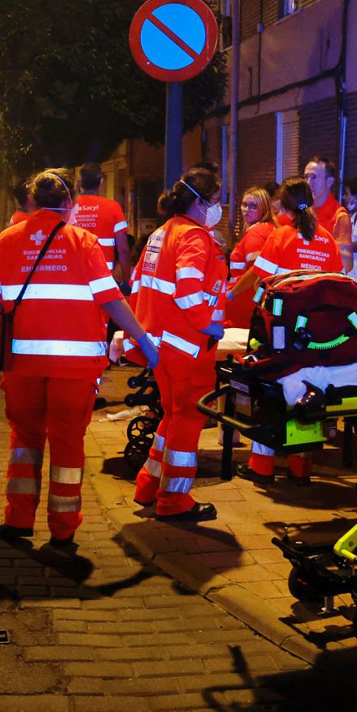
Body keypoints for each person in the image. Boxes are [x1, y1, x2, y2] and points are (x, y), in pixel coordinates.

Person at [0, 169, 156, 548]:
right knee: (67, 444)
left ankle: (17, 521)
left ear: (32, 200)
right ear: (69, 204)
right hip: (75, 368)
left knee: (25, 440)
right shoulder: (84, 242)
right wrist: (142, 340)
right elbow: (111, 301)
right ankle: (63, 531)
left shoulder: (8, 239)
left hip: (21, 364)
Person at [124, 165, 229, 522]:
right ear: (198, 203)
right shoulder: (194, 237)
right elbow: (187, 292)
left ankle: (148, 485)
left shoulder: (161, 233)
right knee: (188, 418)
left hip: (160, 345)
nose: (218, 208)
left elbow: (138, 284)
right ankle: (174, 500)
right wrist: (209, 328)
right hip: (186, 346)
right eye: (215, 201)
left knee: (171, 415)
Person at [228, 177, 342, 485]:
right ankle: (300, 468)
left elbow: (258, 277)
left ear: (285, 206)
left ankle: (261, 466)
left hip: (279, 329)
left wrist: (232, 296)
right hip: (315, 333)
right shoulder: (326, 240)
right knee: (306, 392)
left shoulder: (281, 237)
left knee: (269, 391)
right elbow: (337, 281)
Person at [69, 162, 132, 286]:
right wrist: (126, 280)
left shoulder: (68, 207)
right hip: (103, 277)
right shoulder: (113, 207)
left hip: (74, 275)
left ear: (79, 183)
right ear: (101, 181)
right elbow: (123, 249)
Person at [224, 186, 275, 329]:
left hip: (244, 301)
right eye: (244, 204)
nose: (247, 209)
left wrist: (231, 295)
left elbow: (256, 271)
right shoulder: (267, 228)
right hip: (253, 300)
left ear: (264, 208)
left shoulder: (256, 233)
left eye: (253, 206)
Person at [303, 157, 352, 271]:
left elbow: (347, 264)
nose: (309, 183)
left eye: (314, 177)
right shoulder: (303, 210)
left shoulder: (339, 216)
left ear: (329, 181)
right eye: (306, 177)